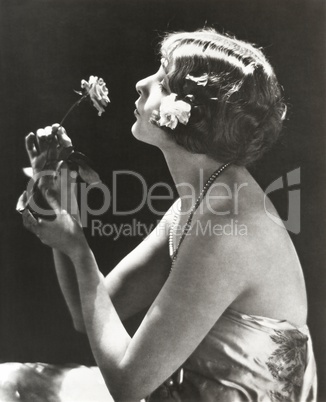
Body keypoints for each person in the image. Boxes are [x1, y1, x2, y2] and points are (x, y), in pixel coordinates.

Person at [17, 28, 317, 401]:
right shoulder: (196, 203)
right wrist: (58, 203)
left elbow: (128, 384)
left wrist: (78, 248)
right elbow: (87, 311)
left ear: (196, 116)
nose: (142, 84)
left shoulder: (227, 224)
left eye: (163, 80)